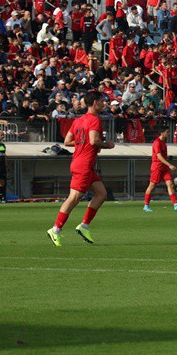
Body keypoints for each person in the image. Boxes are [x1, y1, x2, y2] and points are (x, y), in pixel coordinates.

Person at [47, 91, 115, 247]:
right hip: (83, 164)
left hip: (82, 163)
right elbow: (94, 141)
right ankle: (55, 229)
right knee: (74, 198)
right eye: (102, 101)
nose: (104, 104)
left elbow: (67, 141)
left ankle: (84, 226)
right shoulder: (94, 120)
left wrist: (82, 143)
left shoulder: (78, 120)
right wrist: (108, 145)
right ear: (95, 103)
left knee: (101, 194)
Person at [143, 128, 177, 212]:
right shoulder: (157, 142)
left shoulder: (163, 142)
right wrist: (169, 165)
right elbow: (159, 156)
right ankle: (146, 205)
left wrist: (167, 165)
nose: (168, 133)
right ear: (161, 133)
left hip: (164, 167)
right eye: (167, 132)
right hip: (157, 167)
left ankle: (176, 204)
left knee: (170, 184)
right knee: (152, 185)